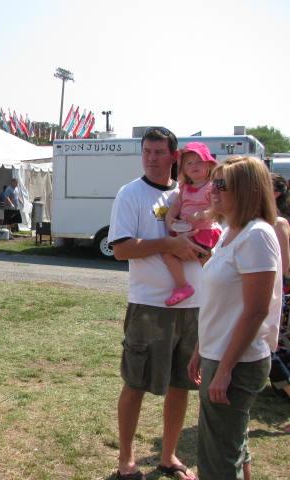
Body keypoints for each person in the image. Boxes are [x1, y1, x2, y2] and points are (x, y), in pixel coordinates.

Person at [108, 126, 206, 480]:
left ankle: (168, 456)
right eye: (147, 151)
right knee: (135, 383)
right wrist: (168, 245)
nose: (151, 158)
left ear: (174, 156)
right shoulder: (130, 194)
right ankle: (126, 461)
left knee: (183, 384)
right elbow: (120, 249)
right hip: (150, 305)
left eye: (159, 152)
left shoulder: (190, 193)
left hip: (193, 307)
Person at [187, 156, 282, 480]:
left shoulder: (256, 235)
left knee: (217, 461)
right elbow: (221, 302)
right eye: (213, 181)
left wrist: (225, 369)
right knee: (233, 445)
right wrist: (202, 348)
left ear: (246, 189)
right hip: (219, 353)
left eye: (221, 184)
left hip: (237, 361)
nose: (212, 189)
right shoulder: (231, 231)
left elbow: (256, 310)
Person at [162, 143, 222, 306]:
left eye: (199, 162)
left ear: (209, 165)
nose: (194, 166)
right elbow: (176, 205)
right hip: (185, 232)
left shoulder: (211, 187)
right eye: (189, 163)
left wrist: (201, 214)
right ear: (184, 169)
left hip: (204, 232)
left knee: (207, 262)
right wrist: (169, 218)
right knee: (167, 253)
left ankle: (216, 291)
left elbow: (217, 209)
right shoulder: (184, 188)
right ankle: (183, 286)